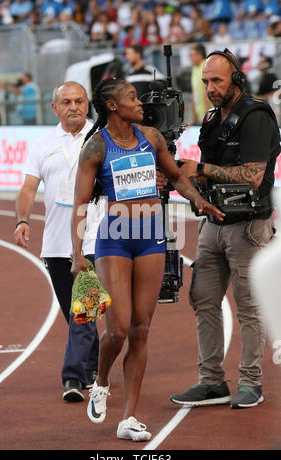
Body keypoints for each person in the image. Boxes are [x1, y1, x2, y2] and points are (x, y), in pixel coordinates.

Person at [70, 77, 224, 441]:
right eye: (131, 98)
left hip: (152, 237)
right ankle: (102, 381)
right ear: (112, 106)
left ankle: (129, 417)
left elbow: (175, 177)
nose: (140, 103)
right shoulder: (96, 147)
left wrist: (196, 200)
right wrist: (77, 253)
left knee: (141, 330)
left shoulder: (151, 138)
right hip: (116, 240)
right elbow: (79, 204)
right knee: (118, 329)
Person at [170, 48, 280, 409]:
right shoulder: (213, 118)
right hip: (214, 222)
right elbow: (206, 170)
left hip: (249, 225)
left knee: (248, 306)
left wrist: (198, 170)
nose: (210, 87)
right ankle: (212, 381)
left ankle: (251, 383)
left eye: (216, 80)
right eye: (205, 81)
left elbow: (253, 176)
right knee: (203, 299)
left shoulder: (257, 116)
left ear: (236, 79)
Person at [14, 81, 103, 402]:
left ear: (88, 103)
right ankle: (93, 367)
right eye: (66, 102)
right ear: (55, 107)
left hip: (93, 240)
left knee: (83, 311)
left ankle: (73, 377)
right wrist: (23, 220)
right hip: (54, 244)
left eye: (79, 101)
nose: (74, 107)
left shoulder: (101, 136)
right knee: (75, 313)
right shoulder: (42, 144)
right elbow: (27, 189)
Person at [188, 43, 212, 126]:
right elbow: (194, 94)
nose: (190, 58)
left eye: (192, 55)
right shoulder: (195, 68)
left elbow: (208, 92)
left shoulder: (206, 66)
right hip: (201, 117)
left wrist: (207, 116)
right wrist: (194, 119)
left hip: (208, 116)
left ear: (200, 55)